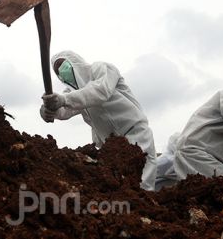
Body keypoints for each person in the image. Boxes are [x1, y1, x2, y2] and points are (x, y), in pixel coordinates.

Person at [40, 51, 157, 191]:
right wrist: (48, 110)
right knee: (120, 189)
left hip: (135, 134)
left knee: (142, 185)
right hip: (111, 148)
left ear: (74, 60)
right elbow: (63, 111)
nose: (60, 70)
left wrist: (64, 100)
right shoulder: (73, 91)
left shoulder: (102, 69)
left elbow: (100, 91)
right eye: (57, 70)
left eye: (61, 64)